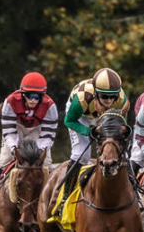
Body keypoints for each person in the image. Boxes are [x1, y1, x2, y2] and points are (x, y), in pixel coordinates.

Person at [0, 72, 57, 217]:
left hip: (38, 131)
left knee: (47, 165)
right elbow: (9, 131)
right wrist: (14, 149)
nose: (33, 100)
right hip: (16, 129)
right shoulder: (10, 102)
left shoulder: (50, 106)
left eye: (37, 96)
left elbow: (48, 135)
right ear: (22, 94)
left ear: (42, 96)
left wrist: (38, 153)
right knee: (3, 161)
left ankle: (53, 203)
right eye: (29, 95)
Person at [53, 67, 130, 214]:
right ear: (96, 93)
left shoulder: (121, 100)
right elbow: (69, 121)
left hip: (104, 117)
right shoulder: (81, 98)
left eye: (112, 97)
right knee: (81, 154)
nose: (109, 101)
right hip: (80, 115)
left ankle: (134, 195)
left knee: (122, 152)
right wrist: (87, 131)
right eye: (105, 97)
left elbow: (121, 128)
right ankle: (65, 197)